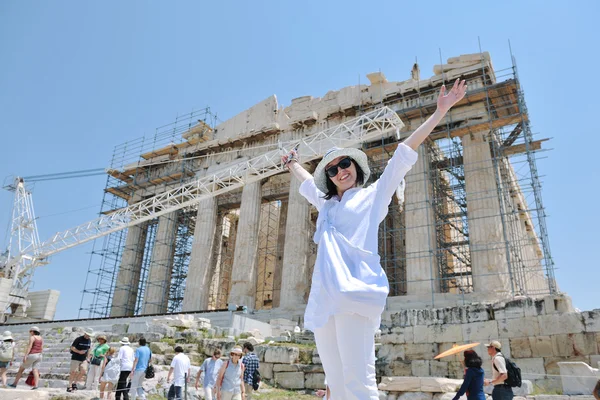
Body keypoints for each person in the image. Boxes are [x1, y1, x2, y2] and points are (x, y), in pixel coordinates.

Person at [281, 79, 467, 399]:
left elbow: (403, 155)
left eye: (345, 163)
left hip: (356, 294)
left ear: (356, 166)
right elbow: (307, 185)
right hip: (325, 301)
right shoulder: (327, 206)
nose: (341, 170)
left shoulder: (372, 197)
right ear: (328, 177)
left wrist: (440, 112)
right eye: (333, 169)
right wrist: (293, 163)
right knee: (336, 383)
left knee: (359, 381)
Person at [9, 325, 43, 390]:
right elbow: (41, 347)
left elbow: (29, 347)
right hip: (39, 355)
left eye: (30, 331)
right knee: (35, 370)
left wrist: (25, 356)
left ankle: (14, 384)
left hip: (33, 355)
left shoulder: (32, 337)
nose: (30, 332)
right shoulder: (41, 338)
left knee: (21, 369)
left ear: (33, 331)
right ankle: (36, 386)